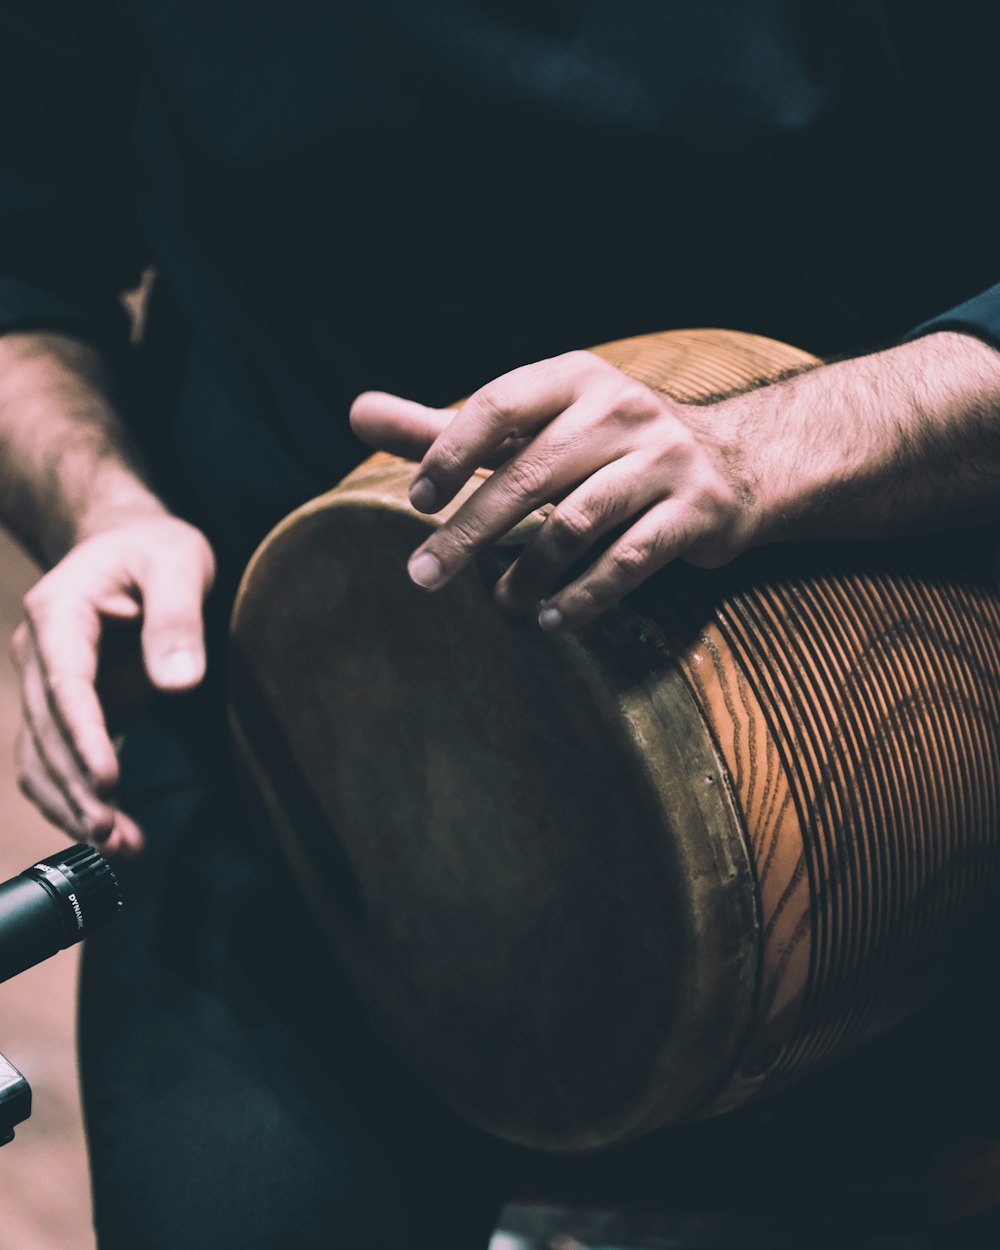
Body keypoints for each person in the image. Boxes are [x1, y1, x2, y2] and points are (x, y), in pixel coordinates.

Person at [1, 2, 1000, 1246]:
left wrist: (768, 438)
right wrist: (105, 508)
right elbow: (21, 282)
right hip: (300, 763)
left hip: (880, 746)